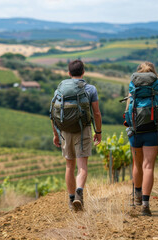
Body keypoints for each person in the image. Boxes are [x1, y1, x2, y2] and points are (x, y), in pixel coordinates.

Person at [51, 60, 102, 211]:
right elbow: (97, 113)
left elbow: (53, 115)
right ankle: (79, 193)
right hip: (83, 130)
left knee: (69, 165)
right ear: (83, 72)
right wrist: (98, 132)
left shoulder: (59, 90)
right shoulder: (90, 89)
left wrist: (56, 134)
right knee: (82, 166)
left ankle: (71, 199)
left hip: (65, 131)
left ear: (69, 73)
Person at [125, 61, 158, 216]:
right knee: (148, 166)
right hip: (153, 130)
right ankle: (146, 205)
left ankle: (137, 196)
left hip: (136, 131)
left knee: (137, 164)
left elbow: (127, 111)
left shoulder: (133, 89)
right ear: (154, 73)